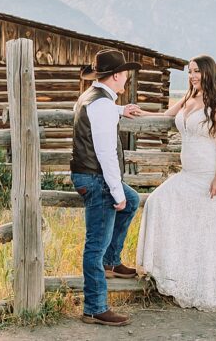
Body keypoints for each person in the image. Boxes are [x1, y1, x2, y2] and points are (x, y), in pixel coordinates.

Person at [135, 54, 216, 311]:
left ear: (208, 74)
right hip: (188, 174)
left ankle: (209, 284)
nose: (192, 76)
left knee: (209, 230)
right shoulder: (187, 99)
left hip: (209, 175)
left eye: (197, 72)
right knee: (157, 203)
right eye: (190, 72)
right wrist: (139, 114)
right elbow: (165, 118)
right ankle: (173, 272)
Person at [71, 48, 145, 326]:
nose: (126, 79)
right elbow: (106, 154)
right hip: (97, 177)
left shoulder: (95, 99)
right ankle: (95, 307)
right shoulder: (100, 104)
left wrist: (120, 110)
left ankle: (111, 262)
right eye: (124, 74)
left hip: (90, 175)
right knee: (95, 245)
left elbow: (100, 115)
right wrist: (116, 193)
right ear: (115, 76)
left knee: (133, 199)